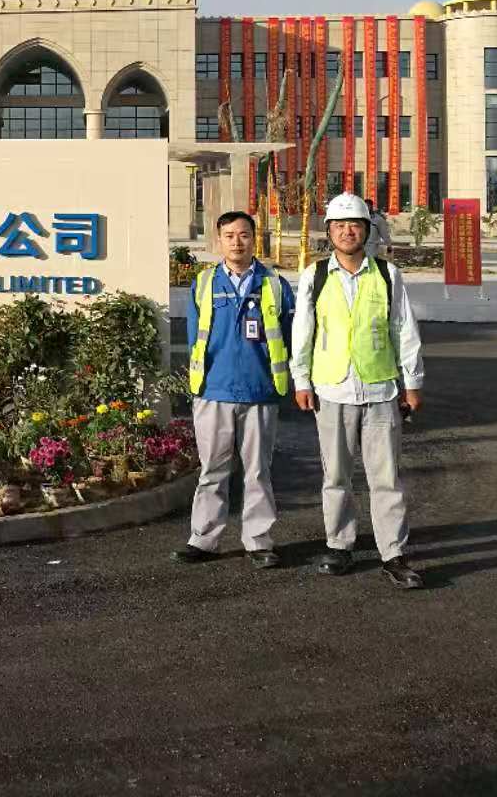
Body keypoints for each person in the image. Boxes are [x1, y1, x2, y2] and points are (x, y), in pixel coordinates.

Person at [291, 192, 427, 589]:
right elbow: (303, 331)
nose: (347, 231)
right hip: (332, 389)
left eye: (354, 225)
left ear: (366, 230)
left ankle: (393, 553)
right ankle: (339, 544)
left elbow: (403, 329)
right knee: (336, 475)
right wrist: (301, 380)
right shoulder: (315, 275)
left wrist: (412, 382)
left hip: (381, 389)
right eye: (339, 225)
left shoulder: (387, 274)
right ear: (329, 231)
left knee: (386, 478)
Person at [172, 210, 296, 569]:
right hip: (214, 390)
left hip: (260, 391)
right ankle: (203, 539)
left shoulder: (274, 284)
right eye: (229, 236)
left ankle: (259, 541)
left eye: (243, 235)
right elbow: (195, 337)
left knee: (258, 471)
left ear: (254, 239)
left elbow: (289, 337)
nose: (236, 242)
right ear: (218, 241)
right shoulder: (204, 283)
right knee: (212, 470)